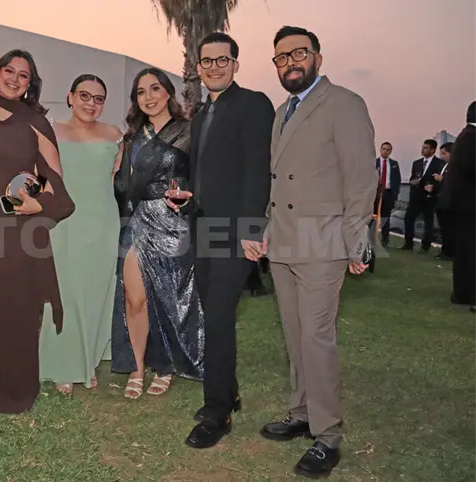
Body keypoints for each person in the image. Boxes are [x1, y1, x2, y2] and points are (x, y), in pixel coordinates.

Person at [258, 26, 377, 478]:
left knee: (317, 337)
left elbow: (361, 178)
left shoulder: (344, 104)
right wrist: (267, 230)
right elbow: (276, 182)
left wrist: (357, 242)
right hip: (284, 241)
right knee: (294, 335)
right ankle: (302, 412)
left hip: (324, 241)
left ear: (317, 58)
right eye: (281, 57)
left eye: (299, 53)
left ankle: (327, 435)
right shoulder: (281, 111)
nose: (290, 62)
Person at [165, 33, 274, 449]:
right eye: (207, 61)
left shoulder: (253, 104)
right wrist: (187, 198)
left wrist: (251, 231)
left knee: (218, 318)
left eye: (222, 60)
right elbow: (207, 171)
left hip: (235, 234)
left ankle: (217, 412)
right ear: (198, 68)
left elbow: (258, 170)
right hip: (203, 229)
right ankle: (228, 392)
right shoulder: (201, 114)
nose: (214, 67)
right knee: (212, 315)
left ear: (236, 64)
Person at [0, 50, 75, 414]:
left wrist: (40, 204)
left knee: (20, 303)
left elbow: (55, 176)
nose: (15, 79)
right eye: (10, 70)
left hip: (21, 225)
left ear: (30, 84)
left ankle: (19, 386)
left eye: (24, 75)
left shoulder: (36, 121)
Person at [112, 67, 204, 400]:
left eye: (154, 89)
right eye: (141, 92)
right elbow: (121, 184)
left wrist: (190, 198)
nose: (148, 97)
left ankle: (165, 367)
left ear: (168, 92)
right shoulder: (132, 139)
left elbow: (202, 177)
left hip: (173, 222)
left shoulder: (188, 131)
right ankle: (136, 367)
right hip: (136, 222)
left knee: (168, 299)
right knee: (134, 297)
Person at [39, 74, 122, 395]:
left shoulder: (115, 135)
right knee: (65, 290)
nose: (91, 103)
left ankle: (88, 360)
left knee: (97, 291)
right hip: (66, 222)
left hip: (103, 221)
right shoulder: (51, 131)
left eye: (99, 99)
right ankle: (63, 363)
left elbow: (113, 178)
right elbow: (40, 177)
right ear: (70, 97)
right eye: (84, 96)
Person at [439, 101, 476, 311]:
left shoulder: (465, 136)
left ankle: (462, 294)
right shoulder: (471, 138)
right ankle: (470, 295)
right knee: (470, 252)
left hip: (461, 206)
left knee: (464, 252)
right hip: (469, 206)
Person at [402, 139, 445, 253]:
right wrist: (413, 181)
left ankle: (425, 245)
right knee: (409, 218)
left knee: (428, 222)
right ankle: (408, 243)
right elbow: (412, 178)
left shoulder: (439, 163)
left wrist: (433, 188)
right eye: (422, 147)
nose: (423, 150)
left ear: (433, 150)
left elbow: (441, 181)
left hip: (430, 198)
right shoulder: (416, 163)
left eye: (426, 148)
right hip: (416, 197)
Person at [374, 142, 401, 248]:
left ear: (391, 151)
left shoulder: (394, 164)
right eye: (384, 149)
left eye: (388, 149)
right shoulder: (374, 162)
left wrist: (395, 195)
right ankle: (371, 239)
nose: (385, 151)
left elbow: (397, 180)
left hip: (388, 193)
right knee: (373, 217)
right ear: (380, 150)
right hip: (375, 193)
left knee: (386, 217)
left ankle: (385, 240)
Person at [434, 142, 453, 260]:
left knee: (449, 229)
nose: (442, 156)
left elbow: (455, 183)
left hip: (450, 203)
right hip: (441, 200)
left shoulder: (456, 167)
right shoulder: (444, 165)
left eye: (444, 153)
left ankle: (449, 253)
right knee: (443, 229)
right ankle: (444, 251)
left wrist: (443, 179)